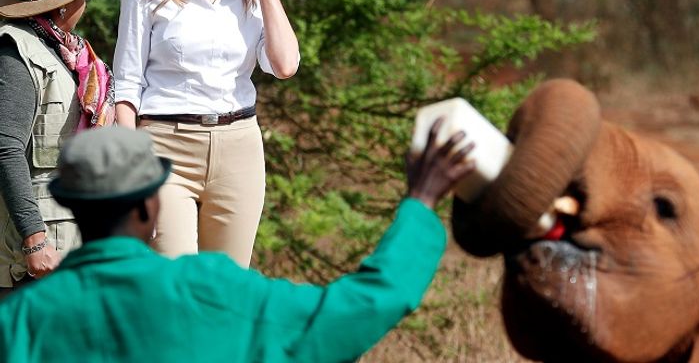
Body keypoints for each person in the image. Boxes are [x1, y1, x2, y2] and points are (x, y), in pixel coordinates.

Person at [0, 120, 474, 362]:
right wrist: (421, 200)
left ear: (73, 207)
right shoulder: (208, 289)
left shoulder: (21, 319)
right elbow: (363, 305)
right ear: (150, 206)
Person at [112, 0, 299, 268]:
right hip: (164, 150)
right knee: (174, 288)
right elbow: (125, 87)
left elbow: (284, 65)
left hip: (239, 149)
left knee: (226, 294)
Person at [0, 0, 115, 297]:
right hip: (39, 254)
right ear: (63, 5)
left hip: (73, 240)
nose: (87, 3)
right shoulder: (16, 53)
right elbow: (5, 146)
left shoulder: (70, 57)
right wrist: (34, 240)